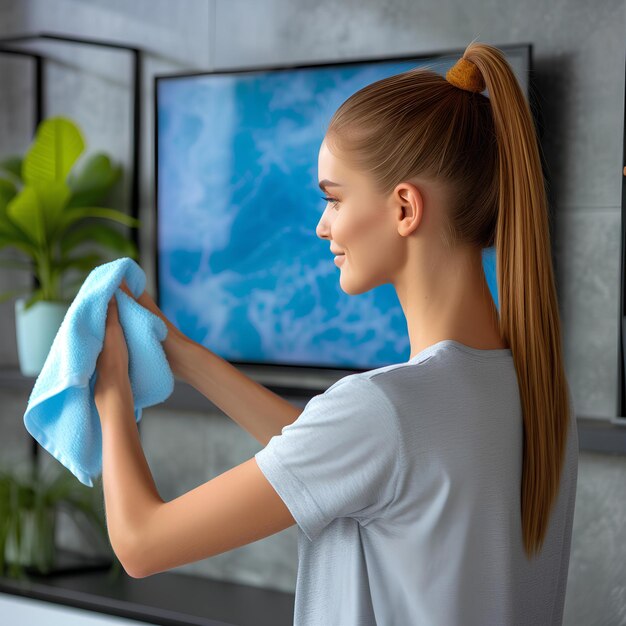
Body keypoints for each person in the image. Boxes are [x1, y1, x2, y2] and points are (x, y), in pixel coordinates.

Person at [95, 39, 578, 626]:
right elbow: (347, 452)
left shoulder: (388, 411)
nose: (322, 226)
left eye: (333, 198)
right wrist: (183, 353)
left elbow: (141, 545)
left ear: (405, 208)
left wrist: (111, 388)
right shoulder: (537, 397)